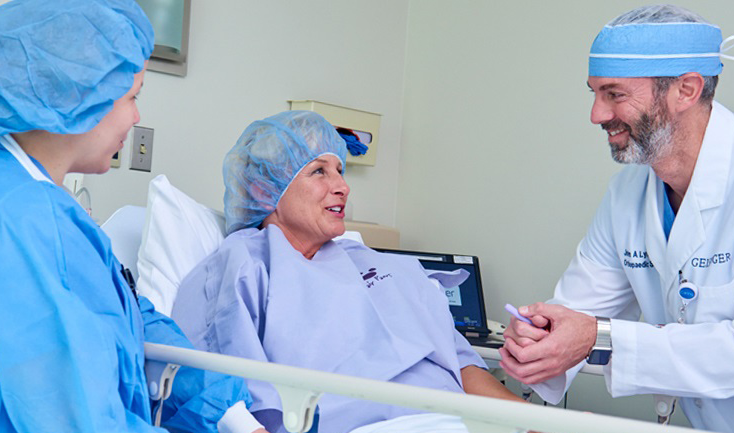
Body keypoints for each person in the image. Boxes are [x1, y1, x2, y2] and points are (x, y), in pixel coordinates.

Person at [0, 1, 265, 432]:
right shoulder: (22, 219)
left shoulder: (1, 182)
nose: (137, 117)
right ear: (74, 92)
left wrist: (232, 416)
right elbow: (75, 417)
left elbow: (127, 317)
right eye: (131, 96)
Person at [499, 5, 734, 432]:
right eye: (593, 93)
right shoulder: (628, 194)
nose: (596, 114)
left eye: (615, 94)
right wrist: (539, 338)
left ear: (686, 89)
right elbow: (579, 311)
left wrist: (597, 337)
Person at [170, 111, 527, 433]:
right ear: (266, 189)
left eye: (340, 170)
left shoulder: (381, 264)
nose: (342, 186)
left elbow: (461, 364)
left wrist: (537, 424)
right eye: (319, 171)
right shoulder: (244, 263)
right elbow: (215, 384)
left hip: (461, 422)